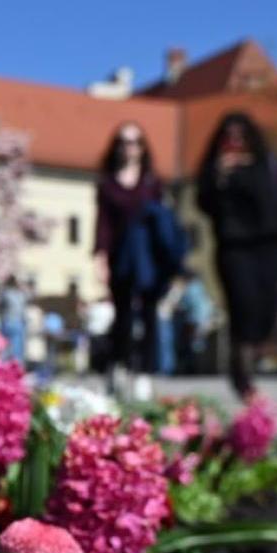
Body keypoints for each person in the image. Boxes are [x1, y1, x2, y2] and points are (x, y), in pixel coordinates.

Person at [196, 112, 277, 399]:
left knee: (267, 310)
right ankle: (242, 376)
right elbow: (204, 206)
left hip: (270, 247)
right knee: (243, 307)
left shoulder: (270, 164)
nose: (235, 141)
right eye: (229, 136)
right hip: (235, 249)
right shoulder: (216, 169)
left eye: (240, 135)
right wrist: (218, 175)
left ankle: (252, 357)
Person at [94, 122, 178, 401]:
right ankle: (119, 366)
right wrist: (100, 256)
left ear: (143, 147)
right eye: (124, 141)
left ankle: (144, 373)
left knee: (150, 315)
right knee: (123, 317)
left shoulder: (152, 182)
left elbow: (163, 222)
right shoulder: (108, 184)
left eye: (135, 141)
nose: (130, 147)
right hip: (121, 260)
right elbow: (103, 224)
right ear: (117, 146)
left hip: (149, 261)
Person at [0, 275, 30, 365]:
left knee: (4, 346)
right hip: (18, 323)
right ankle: (16, 369)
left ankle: (3, 366)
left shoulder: (5, 293)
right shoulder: (21, 295)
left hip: (7, 322)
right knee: (17, 349)